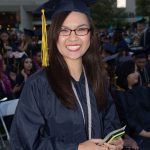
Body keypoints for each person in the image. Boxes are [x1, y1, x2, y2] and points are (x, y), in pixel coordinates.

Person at [10, 0, 123, 150]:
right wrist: (77, 148)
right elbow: (25, 143)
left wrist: (113, 138)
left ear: (91, 34)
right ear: (54, 35)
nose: (73, 37)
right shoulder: (38, 85)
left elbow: (110, 119)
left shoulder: (98, 78)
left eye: (81, 29)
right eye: (64, 30)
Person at [114, 60, 150, 150]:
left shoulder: (140, 90)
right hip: (135, 138)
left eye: (137, 71)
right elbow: (126, 118)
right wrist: (144, 133)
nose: (137, 74)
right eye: (134, 71)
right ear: (126, 74)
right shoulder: (118, 95)